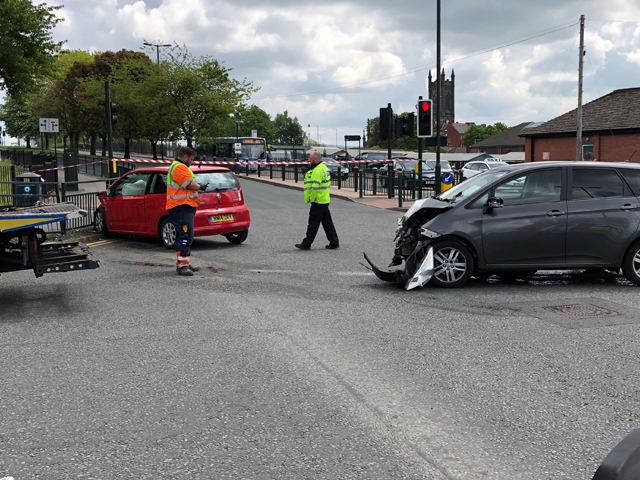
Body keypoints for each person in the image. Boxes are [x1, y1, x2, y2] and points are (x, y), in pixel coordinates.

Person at [166, 146, 204, 276]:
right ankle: (182, 266)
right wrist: (200, 186)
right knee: (186, 237)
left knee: (182, 236)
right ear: (185, 157)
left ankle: (184, 262)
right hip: (181, 206)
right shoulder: (179, 167)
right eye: (191, 159)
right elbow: (189, 184)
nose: (192, 162)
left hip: (182, 206)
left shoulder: (177, 166)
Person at [295, 151, 339, 250]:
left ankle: (307, 243)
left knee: (313, 223)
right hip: (324, 199)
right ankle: (334, 241)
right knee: (327, 222)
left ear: (315, 159)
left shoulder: (317, 171)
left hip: (318, 200)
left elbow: (314, 188)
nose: (309, 161)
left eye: (310, 159)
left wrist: (311, 199)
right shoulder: (324, 168)